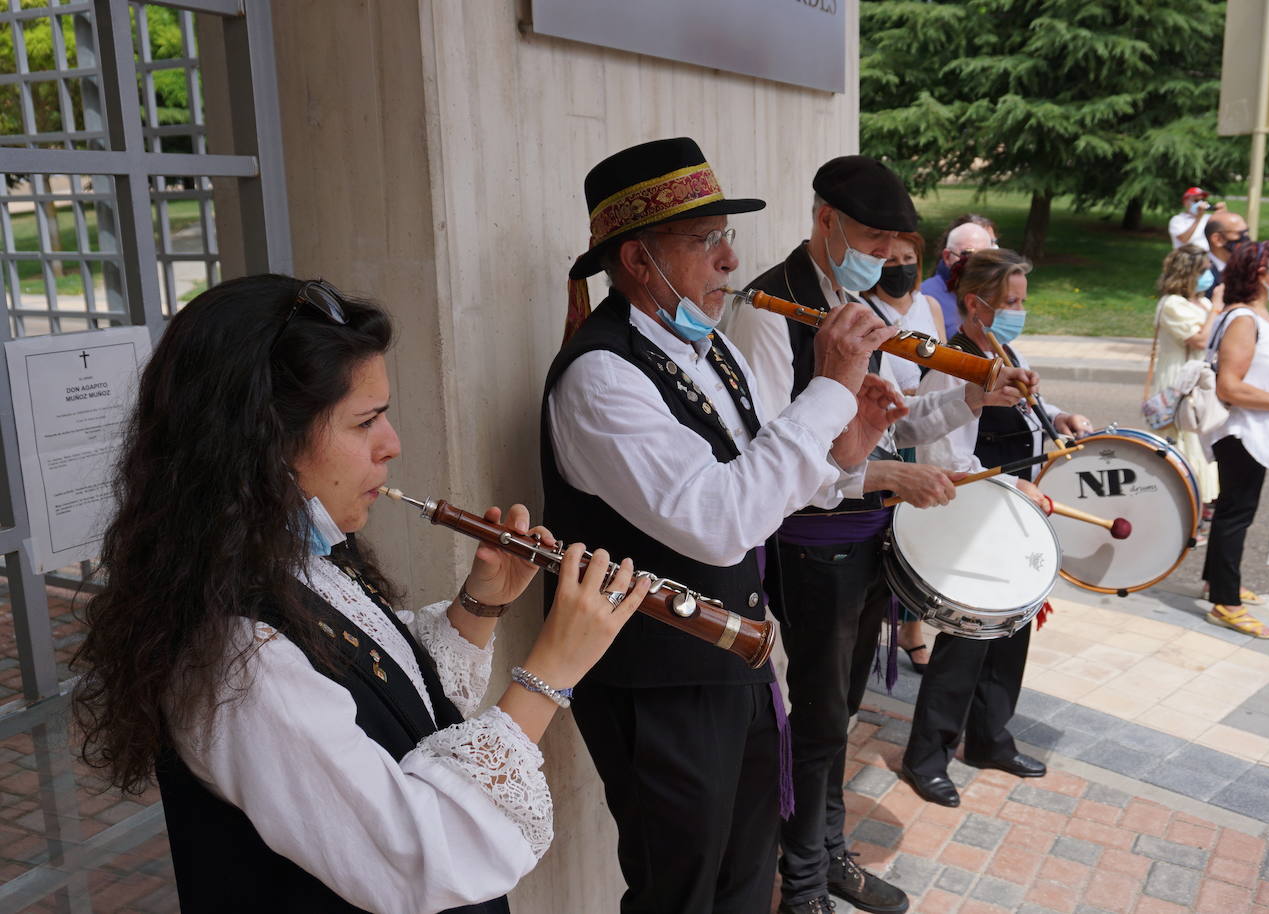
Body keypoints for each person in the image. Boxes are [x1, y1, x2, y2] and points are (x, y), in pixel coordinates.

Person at [71, 275, 649, 913]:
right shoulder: (238, 655)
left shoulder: (291, 557)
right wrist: (549, 674)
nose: (392, 444)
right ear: (266, 443)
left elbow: (388, 708)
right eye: (366, 421)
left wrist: (480, 604)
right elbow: (412, 857)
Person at [543, 137, 903, 914]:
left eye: (726, 238)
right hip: (658, 684)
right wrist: (831, 387)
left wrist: (845, 449)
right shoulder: (601, 377)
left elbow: (762, 486)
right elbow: (718, 522)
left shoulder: (707, 351)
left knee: (745, 876)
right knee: (681, 889)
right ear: (638, 261)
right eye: (707, 243)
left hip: (731, 660)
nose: (730, 262)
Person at [728, 156, 1033, 914]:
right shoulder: (772, 308)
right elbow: (771, 458)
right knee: (821, 715)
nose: (882, 256)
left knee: (842, 711)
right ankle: (801, 886)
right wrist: (881, 479)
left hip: (869, 536)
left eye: (895, 240)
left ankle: (827, 853)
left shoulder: (865, 301)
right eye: (870, 236)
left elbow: (897, 425)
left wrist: (971, 394)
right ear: (824, 219)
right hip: (809, 544)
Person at [901, 248, 1092, 809]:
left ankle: (989, 738)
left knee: (1011, 638)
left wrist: (1058, 416)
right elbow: (948, 464)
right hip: (973, 524)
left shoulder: (1005, 351)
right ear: (974, 304)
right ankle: (926, 756)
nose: (1018, 311)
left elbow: (1029, 404)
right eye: (1010, 302)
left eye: (1022, 302)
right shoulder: (950, 364)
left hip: (1014, 521)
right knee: (963, 646)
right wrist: (1017, 488)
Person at [1202, 240, 1269, 638]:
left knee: (1234, 509)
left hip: (1252, 430)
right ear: (1262, 274)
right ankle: (1226, 604)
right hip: (1242, 431)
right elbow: (1229, 386)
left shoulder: (1254, 317)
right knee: (1236, 514)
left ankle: (1218, 582)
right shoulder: (1245, 319)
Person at [860, 230, 944, 672]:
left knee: (917, 534)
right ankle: (882, 623)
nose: (900, 267)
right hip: (888, 429)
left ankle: (912, 627)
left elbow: (944, 368)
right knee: (888, 534)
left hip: (924, 426)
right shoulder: (865, 310)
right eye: (889, 260)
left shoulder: (928, 306)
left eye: (908, 258)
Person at [1148, 244, 1221, 504]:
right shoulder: (1171, 305)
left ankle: (1203, 503)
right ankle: (1187, 505)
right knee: (1184, 445)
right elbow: (1199, 340)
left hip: (1200, 382)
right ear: (1187, 272)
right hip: (1177, 382)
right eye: (1203, 270)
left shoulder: (1203, 301)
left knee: (1201, 444)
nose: (1208, 275)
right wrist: (1216, 310)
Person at [920, 218, 996, 338]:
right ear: (947, 256)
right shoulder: (924, 297)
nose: (977, 264)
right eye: (968, 254)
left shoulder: (992, 293)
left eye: (984, 256)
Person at [1202, 209, 1250, 290]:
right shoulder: (1203, 278)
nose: (1246, 238)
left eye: (1247, 232)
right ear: (1217, 239)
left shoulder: (1247, 267)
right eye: (1240, 233)